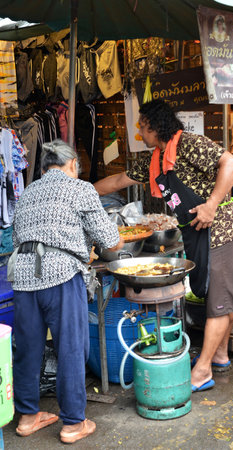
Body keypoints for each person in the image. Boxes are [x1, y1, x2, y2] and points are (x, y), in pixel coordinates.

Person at [94, 99, 233, 392]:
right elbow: (117, 180)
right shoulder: (154, 159)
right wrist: (83, 191)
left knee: (220, 300)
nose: (139, 130)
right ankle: (218, 355)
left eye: (142, 125)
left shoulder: (189, 144)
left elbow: (231, 162)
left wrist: (211, 204)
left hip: (221, 229)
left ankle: (202, 370)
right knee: (217, 296)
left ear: (154, 126)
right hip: (195, 232)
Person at [8, 139, 123, 444]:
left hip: (22, 276)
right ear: (72, 164)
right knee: (71, 347)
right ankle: (73, 422)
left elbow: (21, 236)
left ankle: (28, 417)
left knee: (29, 347)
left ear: (45, 167)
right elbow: (111, 240)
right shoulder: (80, 188)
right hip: (60, 275)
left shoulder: (28, 192)